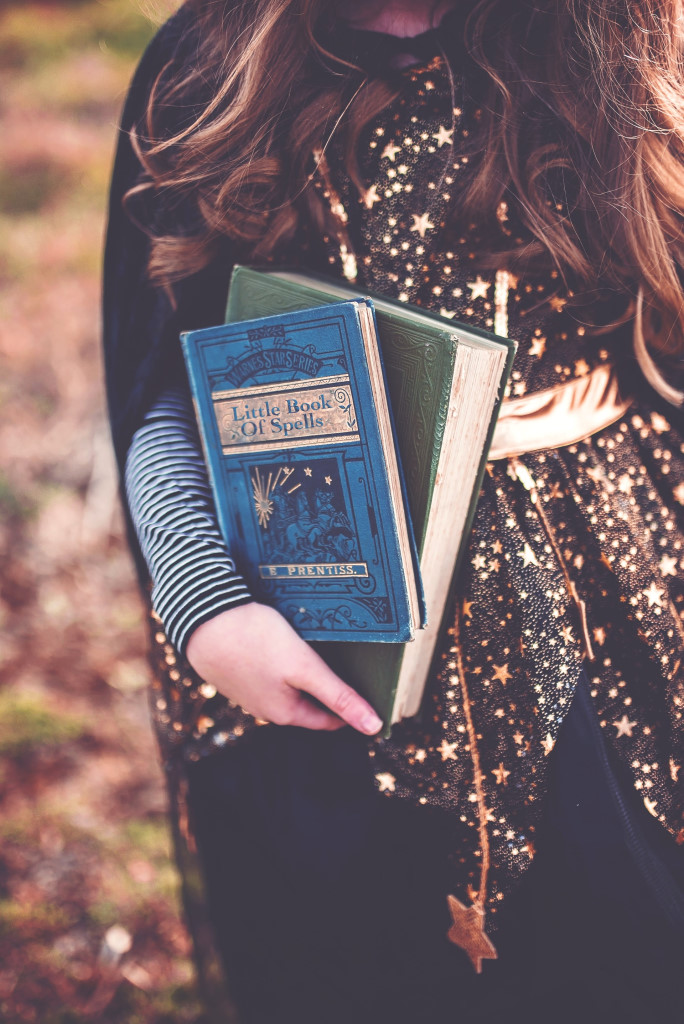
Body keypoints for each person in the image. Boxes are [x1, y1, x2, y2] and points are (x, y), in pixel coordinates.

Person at [104, 1, 684, 1020]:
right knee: (367, 948)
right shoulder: (210, 66)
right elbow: (169, 379)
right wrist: (209, 606)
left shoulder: (625, 51)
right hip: (316, 618)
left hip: (612, 602)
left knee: (615, 926)